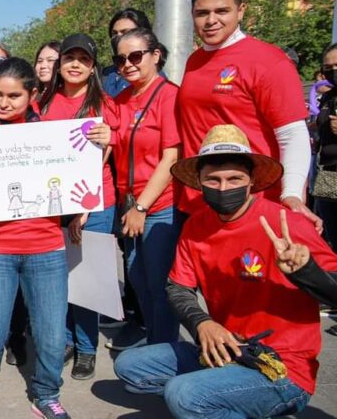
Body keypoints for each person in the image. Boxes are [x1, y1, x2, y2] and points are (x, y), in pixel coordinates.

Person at [115, 124, 337, 418]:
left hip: (282, 366)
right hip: (226, 350)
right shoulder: (196, 226)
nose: (223, 188)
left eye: (234, 179)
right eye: (213, 180)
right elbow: (177, 287)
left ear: (251, 181)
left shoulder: (288, 224)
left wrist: (307, 272)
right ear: (199, 181)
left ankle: (228, 401)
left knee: (183, 394)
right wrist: (202, 323)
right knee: (129, 366)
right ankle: (230, 400)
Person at [0, 58, 107, 419]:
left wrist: (102, 142)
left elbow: (86, 176)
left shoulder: (53, 134)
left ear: (33, 94)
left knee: (49, 335)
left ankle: (46, 395)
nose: (3, 102)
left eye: (14, 96)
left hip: (45, 248)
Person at [178, 0, 318, 231]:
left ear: (241, 10)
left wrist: (292, 193)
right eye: (202, 13)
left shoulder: (269, 61)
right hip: (201, 202)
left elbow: (292, 135)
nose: (211, 20)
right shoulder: (194, 61)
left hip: (252, 204)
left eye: (222, 11)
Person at [39, 33, 116, 380]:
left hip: (95, 203)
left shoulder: (103, 103)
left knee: (87, 280)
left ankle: (87, 349)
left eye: (83, 59)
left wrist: (83, 210)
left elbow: (103, 159)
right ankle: (66, 339)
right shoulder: (45, 101)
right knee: (59, 277)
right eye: (68, 57)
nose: (74, 64)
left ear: (92, 66)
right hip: (54, 202)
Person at [105, 28, 182, 349]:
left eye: (136, 56)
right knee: (137, 279)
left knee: (158, 283)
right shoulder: (121, 99)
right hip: (129, 204)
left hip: (158, 205)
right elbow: (109, 139)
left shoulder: (169, 95)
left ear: (155, 55)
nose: (128, 64)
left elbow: (172, 157)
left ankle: (164, 353)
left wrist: (141, 208)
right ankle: (154, 343)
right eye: (120, 59)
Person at [314, 43, 337, 249]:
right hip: (327, 173)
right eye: (328, 68)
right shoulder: (328, 97)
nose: (333, 71)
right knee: (332, 237)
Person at [101, 8, 153, 97]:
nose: (118, 38)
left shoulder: (150, 74)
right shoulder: (105, 74)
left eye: (125, 32)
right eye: (114, 34)